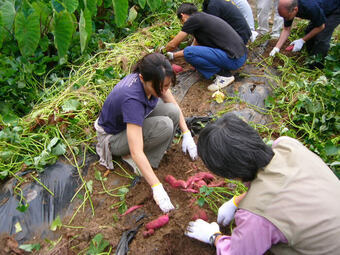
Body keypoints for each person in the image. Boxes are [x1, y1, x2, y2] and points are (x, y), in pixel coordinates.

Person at [185, 113, 340, 254]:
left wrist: (214, 236)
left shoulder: (255, 216)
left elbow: (237, 253)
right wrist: (236, 201)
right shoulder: (287, 145)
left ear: (228, 173)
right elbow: (281, 183)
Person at [94, 53, 197, 213]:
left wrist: (186, 133)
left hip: (131, 122)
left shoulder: (154, 78)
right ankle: (144, 167)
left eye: (167, 86)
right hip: (113, 138)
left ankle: (148, 161)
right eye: (160, 87)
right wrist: (157, 187)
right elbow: (136, 150)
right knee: (165, 126)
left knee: (173, 112)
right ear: (142, 78)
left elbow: (173, 104)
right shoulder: (132, 100)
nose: (163, 90)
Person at [166, 3, 247, 92]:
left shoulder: (192, 19)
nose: (182, 24)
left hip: (234, 60)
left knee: (189, 53)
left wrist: (163, 52)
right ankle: (222, 71)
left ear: (182, 15)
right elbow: (195, 45)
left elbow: (174, 44)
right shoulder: (202, 18)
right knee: (190, 53)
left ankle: (224, 76)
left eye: (181, 21)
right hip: (239, 56)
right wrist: (174, 56)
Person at [270, 0, 340, 59]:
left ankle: (317, 66)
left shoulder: (310, 7)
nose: (285, 19)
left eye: (286, 17)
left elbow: (321, 27)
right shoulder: (289, 9)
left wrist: (302, 40)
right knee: (309, 32)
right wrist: (276, 48)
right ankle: (310, 57)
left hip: (335, 9)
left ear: (295, 9)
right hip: (321, 7)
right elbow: (286, 29)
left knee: (322, 38)